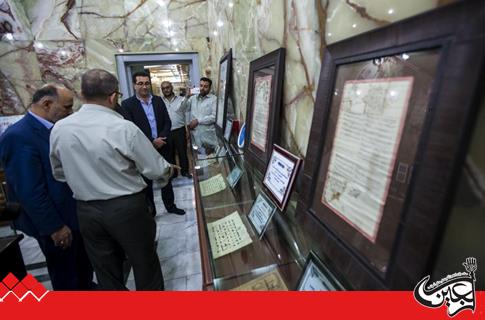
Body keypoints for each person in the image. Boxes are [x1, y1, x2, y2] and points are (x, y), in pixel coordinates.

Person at [49, 69, 173, 290]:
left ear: (81, 94)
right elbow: (155, 169)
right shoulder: (123, 128)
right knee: (145, 265)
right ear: (113, 96)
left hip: (86, 211)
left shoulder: (60, 128)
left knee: (106, 271)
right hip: (126, 209)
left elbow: (59, 173)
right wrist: (168, 171)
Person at [0, 84, 94, 290]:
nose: (70, 112)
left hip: (72, 214)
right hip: (56, 222)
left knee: (82, 269)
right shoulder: (19, 136)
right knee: (66, 277)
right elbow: (29, 190)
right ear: (47, 104)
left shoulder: (54, 128)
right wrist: (54, 227)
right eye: (67, 107)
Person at [121, 72, 185, 216]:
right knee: (146, 182)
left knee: (166, 178)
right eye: (140, 83)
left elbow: (167, 122)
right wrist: (151, 142)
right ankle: (151, 211)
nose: (144, 86)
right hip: (143, 150)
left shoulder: (157, 100)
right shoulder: (127, 104)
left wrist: (161, 139)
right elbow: (131, 129)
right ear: (134, 85)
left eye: (146, 83)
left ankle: (171, 206)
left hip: (163, 145)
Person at [160, 81, 191, 178]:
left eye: (168, 87)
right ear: (162, 90)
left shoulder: (181, 99)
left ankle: (185, 172)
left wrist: (188, 130)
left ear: (171, 87)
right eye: (164, 88)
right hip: (167, 132)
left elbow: (187, 113)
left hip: (179, 130)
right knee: (170, 153)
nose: (166, 90)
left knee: (182, 152)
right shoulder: (159, 102)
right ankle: (174, 173)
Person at [186, 77, 218, 148]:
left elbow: (214, 117)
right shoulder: (193, 98)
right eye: (201, 85)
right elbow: (183, 109)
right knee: (198, 156)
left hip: (208, 136)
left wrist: (198, 121)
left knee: (209, 156)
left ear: (210, 88)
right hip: (195, 135)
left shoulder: (214, 99)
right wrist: (187, 96)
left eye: (205, 86)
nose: (202, 88)